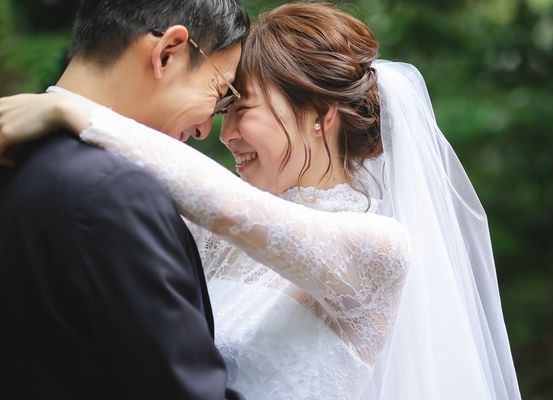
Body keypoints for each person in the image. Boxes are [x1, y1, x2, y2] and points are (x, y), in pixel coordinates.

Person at [0, 3, 522, 399]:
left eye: (240, 107)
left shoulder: (379, 249)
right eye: (220, 107)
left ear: (320, 114)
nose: (221, 134)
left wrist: (75, 113)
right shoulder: (205, 232)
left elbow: (226, 204)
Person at [0, 1, 249, 399]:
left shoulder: (16, 155)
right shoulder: (117, 194)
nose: (206, 129)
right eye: (220, 93)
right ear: (167, 53)